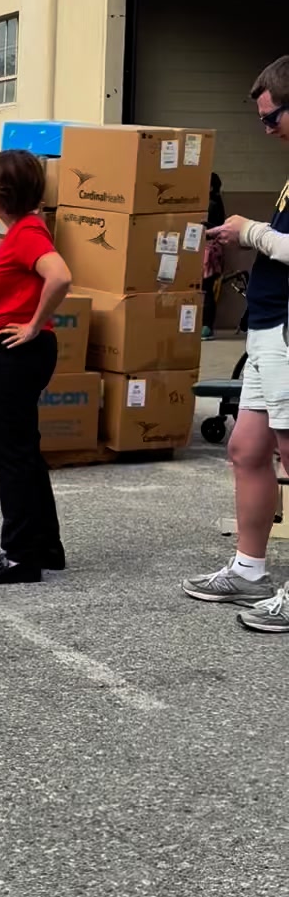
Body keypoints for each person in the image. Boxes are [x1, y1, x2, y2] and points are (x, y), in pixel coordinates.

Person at [183, 55, 289, 628]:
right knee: (247, 449)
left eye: (271, 119)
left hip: (288, 333)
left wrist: (249, 231)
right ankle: (250, 569)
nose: (266, 130)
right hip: (269, 326)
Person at [0, 150, 73, 584]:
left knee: (10, 454)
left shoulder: (28, 232)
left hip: (19, 355)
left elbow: (61, 276)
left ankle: (20, 555)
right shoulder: (18, 232)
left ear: (4, 192)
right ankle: (45, 546)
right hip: (16, 355)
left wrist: (31, 325)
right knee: (23, 452)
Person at [202, 171, 226, 337]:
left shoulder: (212, 204)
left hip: (208, 253)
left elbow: (210, 228)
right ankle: (206, 326)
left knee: (206, 289)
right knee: (207, 289)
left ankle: (206, 327)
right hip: (213, 252)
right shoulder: (217, 202)